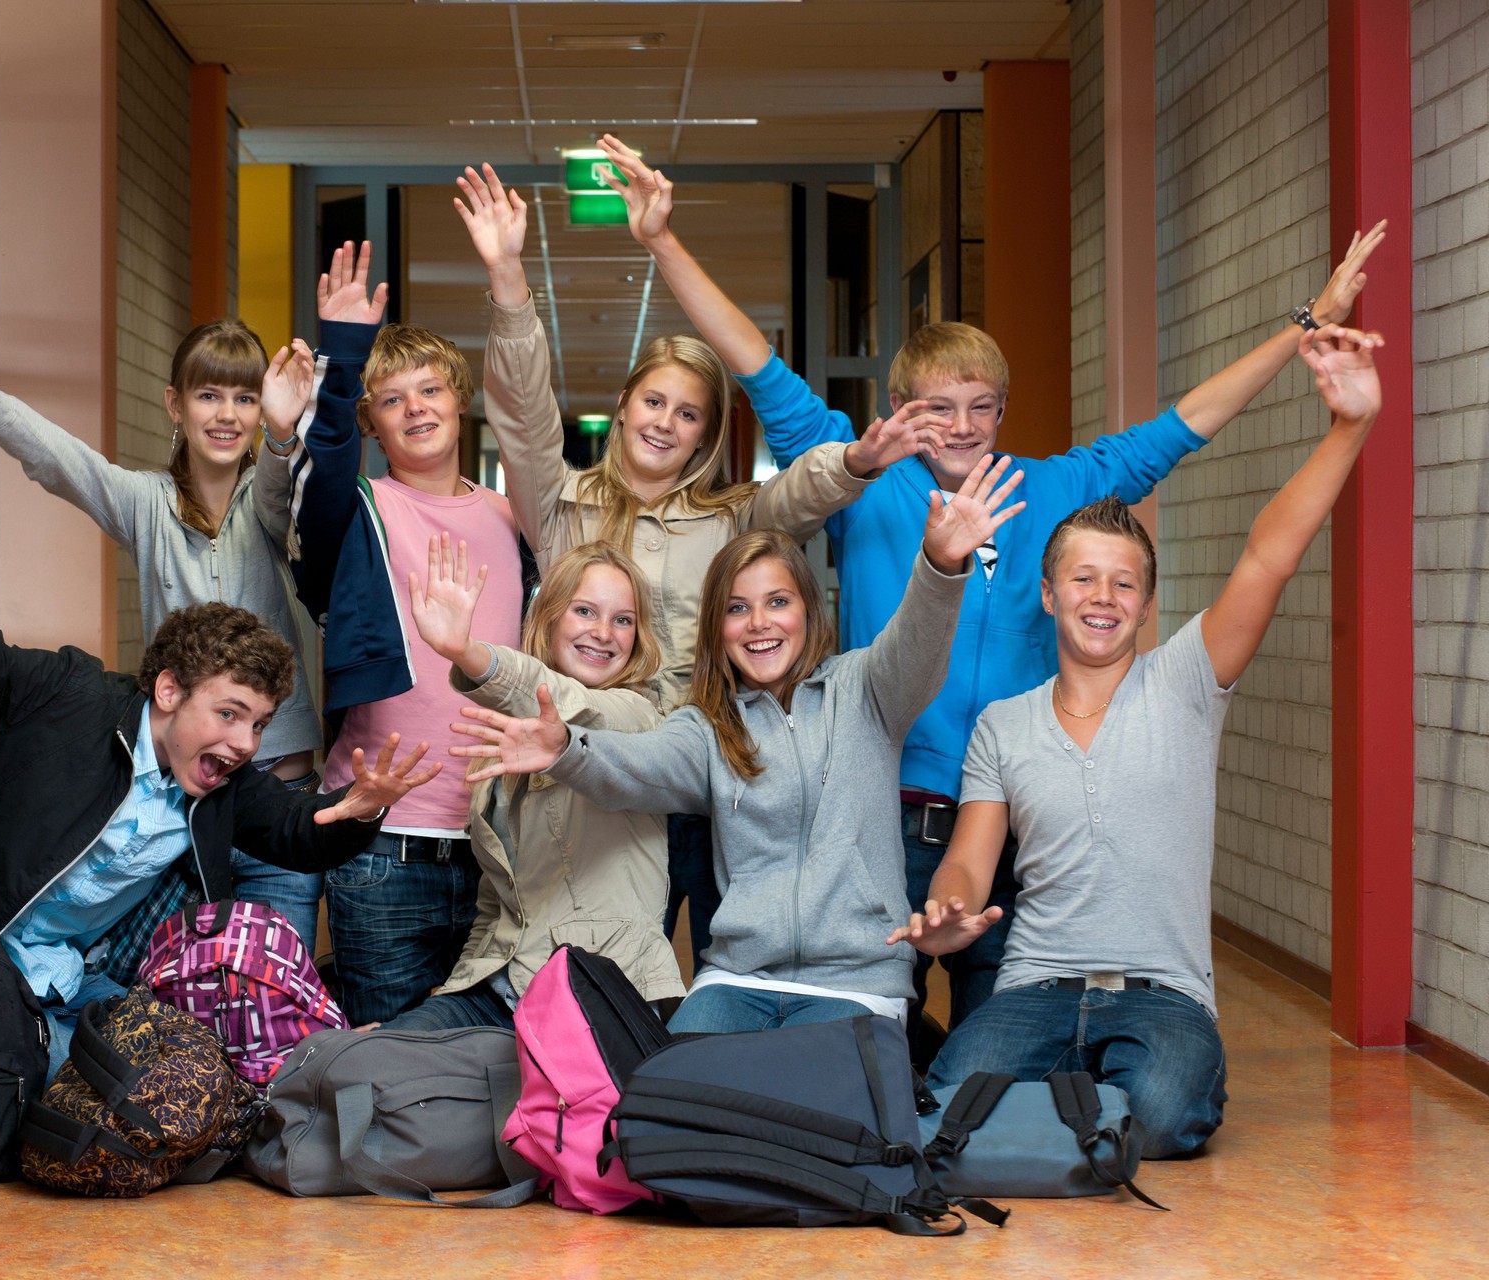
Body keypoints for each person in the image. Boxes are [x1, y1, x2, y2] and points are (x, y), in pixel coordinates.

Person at [595, 131, 1388, 1041]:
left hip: (1003, 808)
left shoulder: (1057, 488)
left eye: (981, 408)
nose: (961, 428)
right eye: (937, 407)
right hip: (880, 802)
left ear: (1004, 413)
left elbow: (1189, 422)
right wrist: (661, 242)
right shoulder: (873, 476)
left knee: (985, 1031)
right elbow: (751, 363)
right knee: (876, 1022)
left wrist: (1303, 325)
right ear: (901, 410)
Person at [0, 410, 435, 1078]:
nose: (245, 742)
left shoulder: (218, 783)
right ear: (168, 692)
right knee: (37, 1088)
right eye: (228, 714)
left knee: (179, 1080)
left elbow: (295, 831)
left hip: (76, 979)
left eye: (256, 723)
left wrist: (359, 809)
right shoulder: (62, 697)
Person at [897, 323, 1386, 1158]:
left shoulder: (1186, 683)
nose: (1103, 597)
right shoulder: (1004, 725)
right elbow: (972, 861)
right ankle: (1076, 1114)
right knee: (946, 1103)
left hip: (1162, 996)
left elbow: (1269, 555)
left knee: (1161, 1117)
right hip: (1033, 988)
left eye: (1124, 583)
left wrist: (1350, 427)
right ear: (1047, 596)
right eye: (1082, 578)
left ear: (1149, 605)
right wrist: (947, 910)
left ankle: (1066, 1114)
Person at [456, 162, 931, 972]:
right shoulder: (560, 501)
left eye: (688, 414)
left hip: (720, 784)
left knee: (725, 968)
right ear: (627, 402)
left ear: (706, 435)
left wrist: (853, 459)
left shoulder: (731, 515)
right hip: (597, 776)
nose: (665, 424)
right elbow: (523, 411)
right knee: (597, 973)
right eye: (653, 402)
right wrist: (507, 280)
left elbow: (798, 501)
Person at [450, 458, 1025, 1035]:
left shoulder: (867, 690)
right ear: (717, 628)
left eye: (777, 602)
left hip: (859, 977)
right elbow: (640, 764)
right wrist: (567, 750)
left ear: (807, 609)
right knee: (671, 1100)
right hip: (738, 979)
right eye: (736, 608)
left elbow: (917, 638)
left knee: (810, 1111)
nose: (758, 623)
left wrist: (941, 564)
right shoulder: (707, 725)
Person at [0, 280, 330, 953]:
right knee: (187, 1003)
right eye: (208, 395)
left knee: (276, 1002)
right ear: (176, 405)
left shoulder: (269, 502)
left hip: (276, 792)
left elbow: (280, 481)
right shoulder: (144, 504)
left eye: (243, 397)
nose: (227, 414)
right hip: (184, 800)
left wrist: (288, 432)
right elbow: (52, 455)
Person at [252, 241, 525, 1025]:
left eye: (431, 388)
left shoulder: (513, 520)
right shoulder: (355, 512)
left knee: (488, 1076)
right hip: (383, 850)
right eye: (393, 398)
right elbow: (325, 464)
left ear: (460, 397)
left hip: (497, 851)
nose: (416, 407)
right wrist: (343, 351)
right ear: (371, 419)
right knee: (385, 1070)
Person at [379, 536, 683, 1031]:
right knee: (374, 1055)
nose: (604, 633)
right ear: (550, 617)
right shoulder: (502, 745)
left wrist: (469, 653)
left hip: (597, 987)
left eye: (622, 620)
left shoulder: (640, 718)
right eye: (585, 611)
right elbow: (497, 908)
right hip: (500, 985)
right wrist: (450, 997)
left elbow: (574, 704)